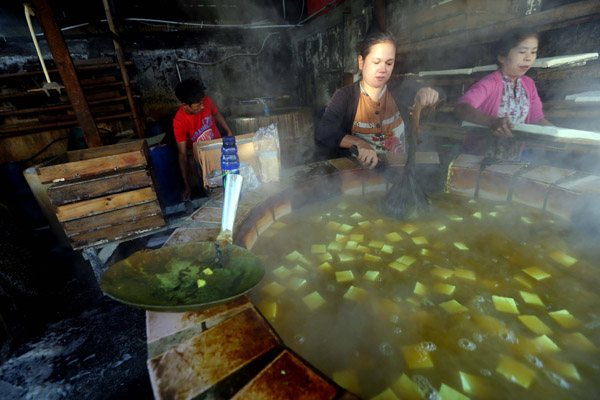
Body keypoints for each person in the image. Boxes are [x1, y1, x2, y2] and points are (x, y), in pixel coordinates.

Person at [316, 31, 442, 169]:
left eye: (389, 63)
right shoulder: (345, 96)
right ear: (361, 62)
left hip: (399, 171)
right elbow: (324, 131)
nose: (382, 69)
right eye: (376, 62)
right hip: (361, 175)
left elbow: (440, 94)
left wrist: (429, 93)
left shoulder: (400, 87)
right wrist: (359, 143)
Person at [455, 29, 552, 159]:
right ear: (502, 57)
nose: (528, 58)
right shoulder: (491, 83)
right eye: (522, 52)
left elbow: (537, 119)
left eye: (533, 52)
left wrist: (559, 133)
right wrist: (492, 122)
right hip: (479, 159)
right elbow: (462, 108)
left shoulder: (528, 84)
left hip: (512, 158)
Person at [173, 78, 233, 201]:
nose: (202, 107)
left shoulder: (207, 101)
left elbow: (216, 113)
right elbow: (182, 155)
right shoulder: (179, 122)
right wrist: (186, 185)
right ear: (185, 105)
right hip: (203, 162)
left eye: (202, 102)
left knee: (230, 183)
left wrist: (228, 131)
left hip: (221, 150)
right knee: (214, 192)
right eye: (197, 105)